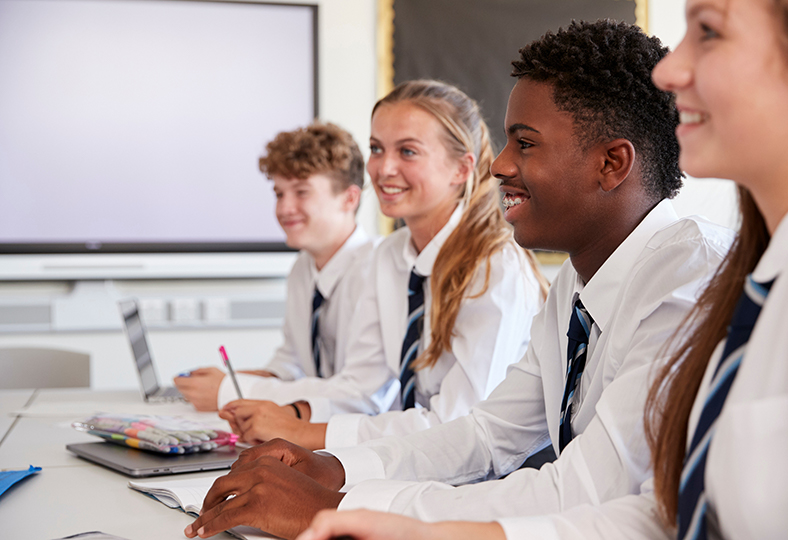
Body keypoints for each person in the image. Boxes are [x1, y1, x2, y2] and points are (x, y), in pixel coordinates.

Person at [298, 0, 788, 538]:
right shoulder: (763, 270)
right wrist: (376, 509)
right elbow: (665, 512)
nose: (672, 72)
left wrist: (369, 504)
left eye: (708, 32)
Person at [184, 20, 734, 540]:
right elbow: (487, 433)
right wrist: (334, 468)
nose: (499, 166)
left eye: (526, 142)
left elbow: (585, 491)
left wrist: (341, 508)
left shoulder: (688, 281)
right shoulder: (579, 279)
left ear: (612, 163)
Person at [216, 79, 548, 450]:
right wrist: (287, 415)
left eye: (407, 151)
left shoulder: (494, 269)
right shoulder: (389, 256)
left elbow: (458, 426)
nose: (384, 168)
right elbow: (362, 389)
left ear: (461, 169)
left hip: (487, 477)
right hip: (413, 461)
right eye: (376, 148)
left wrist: (302, 432)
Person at [173, 122, 377, 412]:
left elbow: (356, 393)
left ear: (349, 198)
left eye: (301, 192)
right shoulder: (302, 269)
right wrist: (233, 381)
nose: (284, 208)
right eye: (279, 194)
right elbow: (293, 362)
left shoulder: (376, 271)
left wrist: (235, 390)